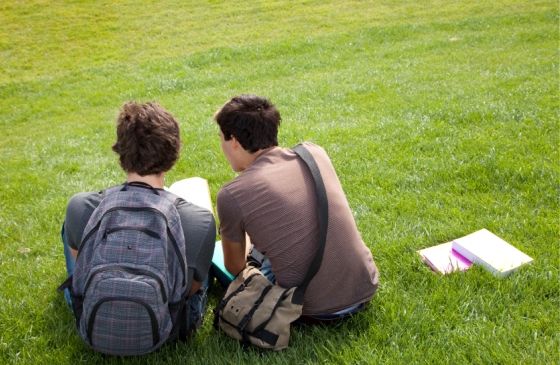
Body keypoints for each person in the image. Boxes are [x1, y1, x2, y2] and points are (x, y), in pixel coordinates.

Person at [214, 94, 379, 322]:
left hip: (308, 306)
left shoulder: (232, 193)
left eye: (221, 138)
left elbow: (235, 267)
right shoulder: (314, 153)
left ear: (233, 141)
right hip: (364, 285)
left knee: (226, 260)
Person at [61, 102, 215, 338]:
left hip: (93, 317)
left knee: (71, 227)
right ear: (173, 153)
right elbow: (190, 289)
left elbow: (80, 265)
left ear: (120, 150)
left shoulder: (81, 205)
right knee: (199, 259)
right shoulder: (199, 219)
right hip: (165, 328)